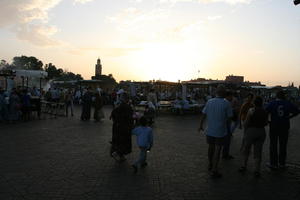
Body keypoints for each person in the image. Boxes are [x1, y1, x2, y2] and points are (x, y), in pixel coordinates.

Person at [199, 85, 233, 178]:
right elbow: (230, 118)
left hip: (209, 130)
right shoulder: (227, 103)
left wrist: (200, 125)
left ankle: (210, 163)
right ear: (224, 93)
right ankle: (215, 169)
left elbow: (203, 114)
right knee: (218, 149)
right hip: (221, 131)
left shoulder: (209, 102)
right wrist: (228, 128)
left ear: (216, 93)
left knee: (211, 147)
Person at [266, 90, 300, 169]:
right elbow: (297, 111)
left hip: (274, 126)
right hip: (284, 126)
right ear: (284, 96)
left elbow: (265, 111)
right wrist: (289, 117)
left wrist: (268, 121)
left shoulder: (272, 103)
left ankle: (273, 163)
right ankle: (282, 163)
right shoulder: (287, 103)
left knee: (273, 145)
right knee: (283, 145)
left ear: (276, 96)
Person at [239, 96, 268, 177]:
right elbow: (266, 123)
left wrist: (244, 126)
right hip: (261, 132)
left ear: (254, 103)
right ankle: (256, 170)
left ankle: (244, 166)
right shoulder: (265, 111)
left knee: (246, 149)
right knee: (258, 151)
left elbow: (246, 123)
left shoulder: (251, 110)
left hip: (251, 132)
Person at [110, 93, 134, 162]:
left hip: (117, 127)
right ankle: (118, 154)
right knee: (124, 142)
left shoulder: (118, 106)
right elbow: (130, 118)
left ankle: (120, 155)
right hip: (124, 128)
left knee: (119, 142)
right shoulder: (128, 107)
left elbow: (113, 115)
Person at [222, 91, 234, 160]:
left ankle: (224, 153)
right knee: (226, 140)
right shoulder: (227, 103)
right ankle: (225, 154)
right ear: (228, 96)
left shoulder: (223, 102)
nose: (232, 98)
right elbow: (230, 116)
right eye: (231, 96)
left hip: (222, 124)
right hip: (226, 124)